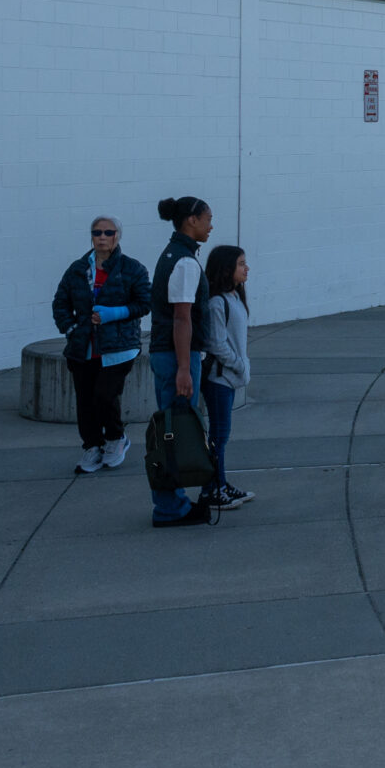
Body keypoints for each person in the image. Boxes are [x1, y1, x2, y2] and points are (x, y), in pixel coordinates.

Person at [51, 216, 152, 473]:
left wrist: (113, 314)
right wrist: (72, 329)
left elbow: (145, 303)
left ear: (118, 235)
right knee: (85, 401)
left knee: (104, 395)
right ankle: (91, 447)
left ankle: (116, 438)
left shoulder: (132, 268)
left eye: (108, 232)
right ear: (91, 236)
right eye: (97, 232)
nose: (102, 237)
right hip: (83, 348)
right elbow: (60, 303)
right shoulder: (77, 269)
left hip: (119, 347)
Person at [148, 196, 215, 528]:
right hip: (175, 356)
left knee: (171, 431)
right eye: (207, 219)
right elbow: (181, 319)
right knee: (174, 433)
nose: (210, 225)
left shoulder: (172, 254)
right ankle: (169, 508)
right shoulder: (185, 262)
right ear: (191, 220)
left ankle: (172, 504)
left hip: (168, 354)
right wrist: (185, 368)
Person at [196, 244, 254, 510]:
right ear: (226, 268)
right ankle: (212, 490)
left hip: (230, 378)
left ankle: (220, 484)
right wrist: (239, 366)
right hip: (219, 380)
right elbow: (216, 343)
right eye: (241, 263)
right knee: (219, 436)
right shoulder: (217, 301)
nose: (246, 268)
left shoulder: (235, 297)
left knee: (221, 435)